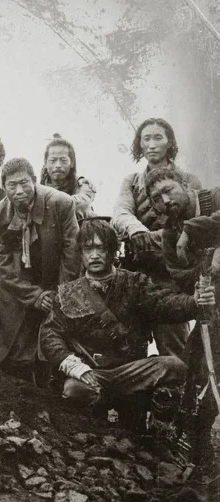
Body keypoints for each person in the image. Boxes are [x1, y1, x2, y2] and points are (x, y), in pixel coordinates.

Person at [39, 219, 215, 444]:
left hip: (132, 373)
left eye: (101, 248)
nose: (94, 255)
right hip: (92, 374)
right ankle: (90, 436)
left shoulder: (135, 283)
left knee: (174, 367)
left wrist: (194, 302)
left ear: (113, 251)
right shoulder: (67, 293)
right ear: (80, 253)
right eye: (88, 249)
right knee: (74, 389)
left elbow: (165, 304)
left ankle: (160, 433)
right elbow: (50, 334)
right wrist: (73, 366)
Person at [0, 158, 79, 383]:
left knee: (64, 338)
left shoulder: (61, 203)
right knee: (3, 344)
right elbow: (3, 266)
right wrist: (35, 296)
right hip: (22, 288)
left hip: (60, 282)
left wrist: (59, 295)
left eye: (24, 183)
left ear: (34, 181)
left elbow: (72, 254)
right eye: (12, 185)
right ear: (3, 186)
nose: (19, 191)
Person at [145, 168, 220, 474]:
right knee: (195, 374)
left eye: (169, 190)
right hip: (211, 311)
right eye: (156, 198)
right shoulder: (168, 234)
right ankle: (200, 458)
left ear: (185, 184)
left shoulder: (214, 198)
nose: (165, 201)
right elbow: (179, 277)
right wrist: (207, 268)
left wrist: (192, 229)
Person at [112, 118, 202, 357]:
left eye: (158, 138)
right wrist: (136, 230)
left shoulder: (188, 181)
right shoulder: (132, 182)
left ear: (169, 142)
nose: (151, 145)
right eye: (146, 139)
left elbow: (192, 227)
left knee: (174, 347)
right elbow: (121, 213)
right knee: (131, 345)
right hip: (138, 274)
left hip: (172, 276)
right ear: (139, 145)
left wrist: (150, 240)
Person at [39, 133, 96, 220]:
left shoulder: (82, 185)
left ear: (72, 163)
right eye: (53, 160)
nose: (58, 165)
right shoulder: (39, 188)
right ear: (46, 163)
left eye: (63, 160)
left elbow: (82, 201)